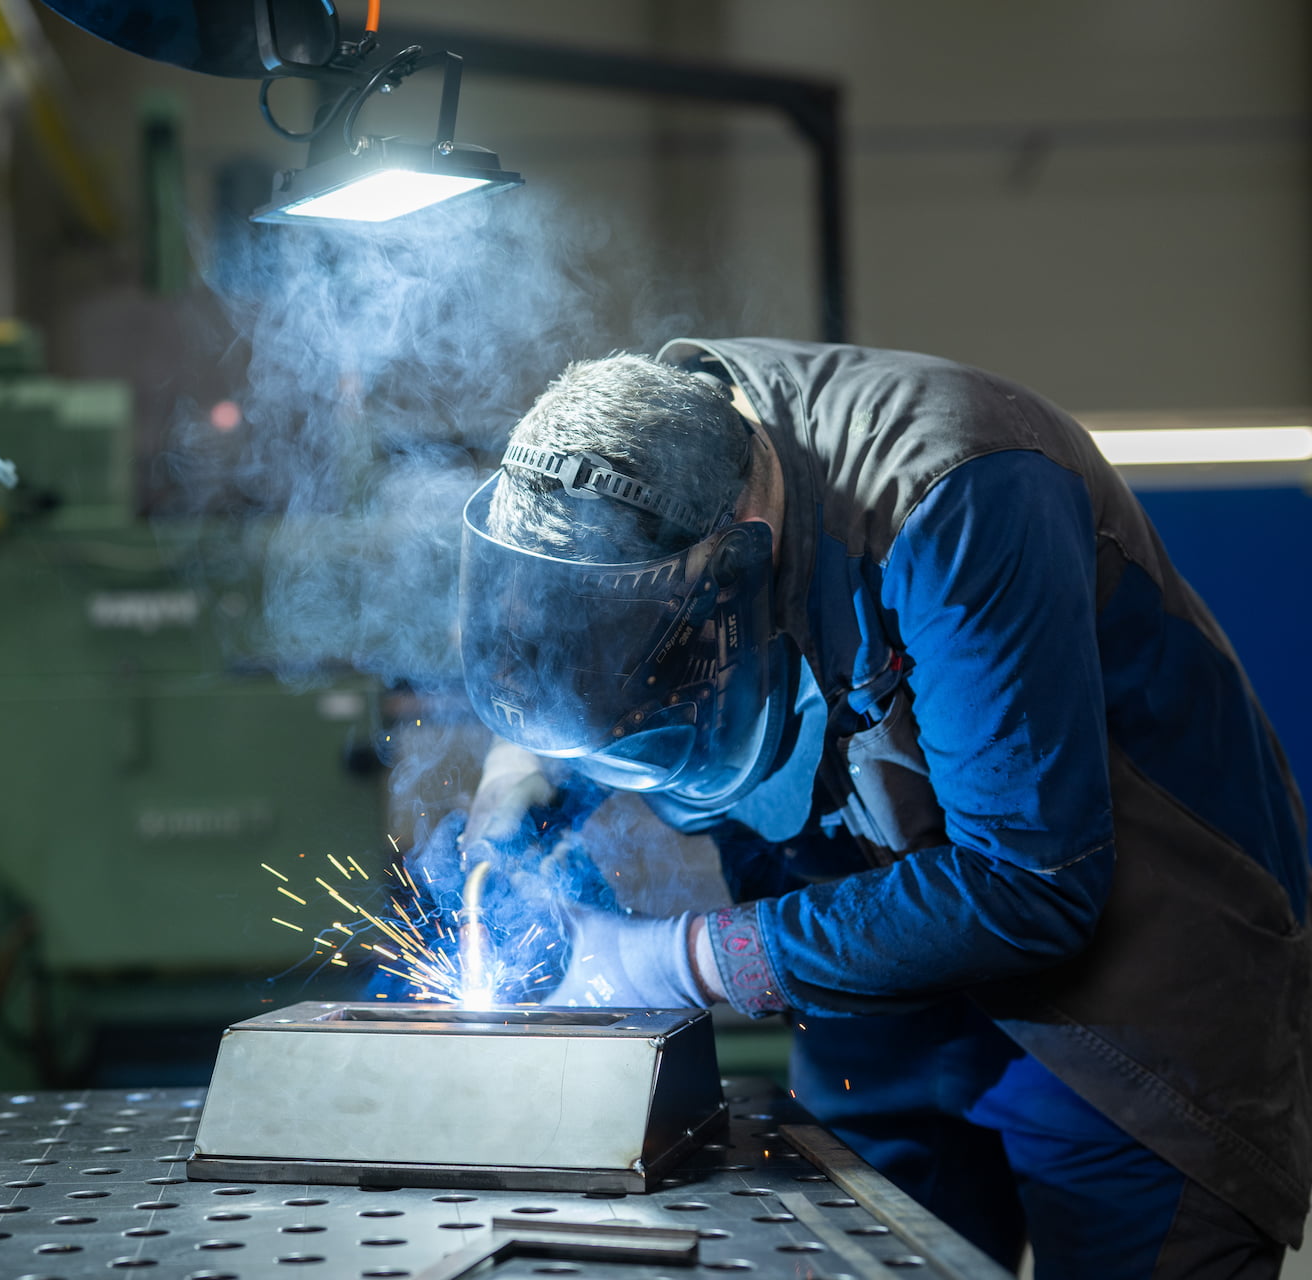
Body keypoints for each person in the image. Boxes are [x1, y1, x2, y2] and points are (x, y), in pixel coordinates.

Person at [457, 343, 1309, 1279]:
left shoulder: (960, 493)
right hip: (887, 1005)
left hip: (1126, 1015)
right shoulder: (642, 445)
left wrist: (668, 960)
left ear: (744, 546)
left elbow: (1026, 885)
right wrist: (526, 781)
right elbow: (606, 632)